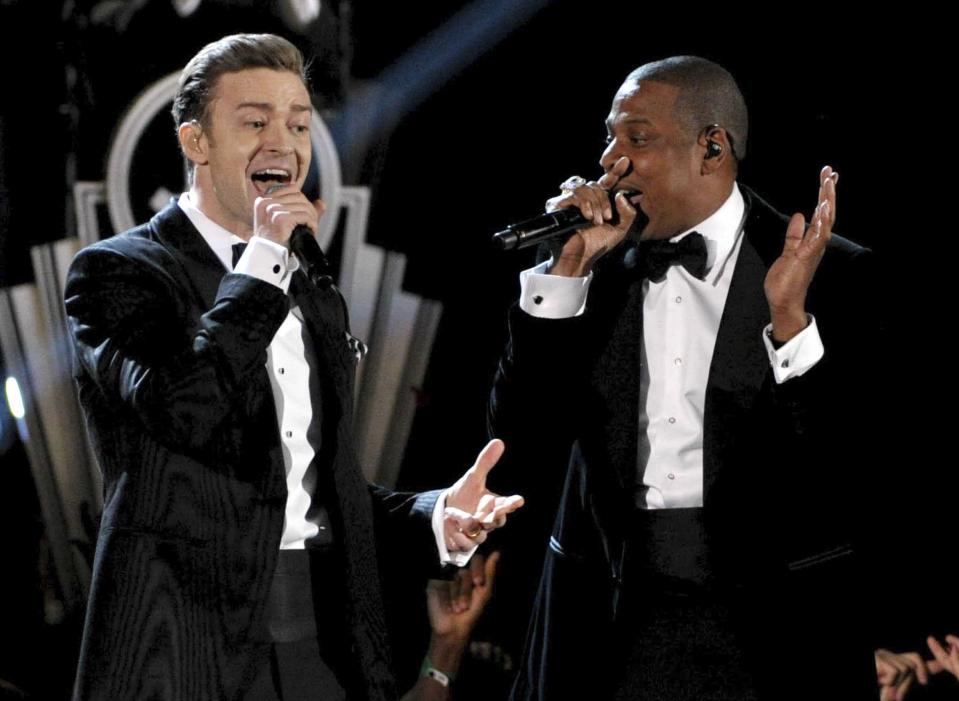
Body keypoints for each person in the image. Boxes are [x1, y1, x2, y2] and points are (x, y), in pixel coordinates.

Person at [64, 33, 522, 701]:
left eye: (299, 123)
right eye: (254, 122)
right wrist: (262, 265)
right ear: (197, 142)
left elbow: (315, 488)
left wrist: (434, 516)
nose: (284, 142)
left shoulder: (309, 285)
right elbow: (180, 409)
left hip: (320, 648)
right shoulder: (119, 272)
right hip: (182, 648)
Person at [487, 56, 882, 700]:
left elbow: (852, 473)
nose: (612, 161)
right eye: (609, 137)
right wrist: (562, 281)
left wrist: (790, 323)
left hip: (766, 638)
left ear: (712, 149)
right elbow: (515, 446)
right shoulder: (588, 266)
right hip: (600, 629)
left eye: (637, 139)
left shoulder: (831, 275)